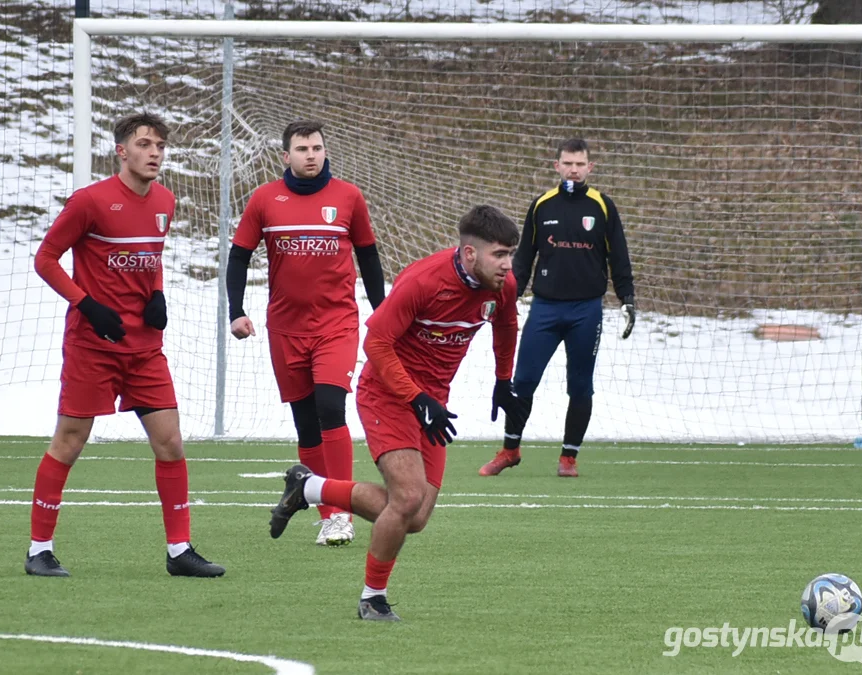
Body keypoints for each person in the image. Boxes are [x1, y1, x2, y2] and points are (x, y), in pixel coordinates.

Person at [268, 205, 519, 621]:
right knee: (405, 497)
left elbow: (506, 325)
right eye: (500, 255)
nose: (508, 265)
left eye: (511, 254)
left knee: (415, 517)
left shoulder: (503, 286)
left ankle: (309, 488)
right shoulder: (423, 281)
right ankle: (372, 598)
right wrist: (416, 398)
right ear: (470, 254)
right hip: (387, 393)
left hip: (432, 404)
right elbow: (377, 343)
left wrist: (503, 379)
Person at [25, 111, 224, 578]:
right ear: (122, 151)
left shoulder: (166, 201)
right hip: (93, 344)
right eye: (145, 144)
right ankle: (39, 549)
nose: (155, 153)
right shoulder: (89, 202)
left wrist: (156, 292)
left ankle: (179, 552)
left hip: (145, 346)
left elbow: (149, 257)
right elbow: (46, 259)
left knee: (171, 443)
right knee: (70, 442)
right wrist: (87, 304)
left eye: (160, 145)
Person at [227, 120, 385, 547]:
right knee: (305, 424)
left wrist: (382, 311)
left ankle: (343, 513)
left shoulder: (349, 197)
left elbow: (369, 258)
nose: (311, 155)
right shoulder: (265, 199)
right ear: (286, 156)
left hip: (336, 324)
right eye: (302, 149)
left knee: (331, 406)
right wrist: (236, 311)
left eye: (317, 147)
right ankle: (327, 511)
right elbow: (239, 257)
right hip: (285, 328)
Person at [479, 138, 635, 479]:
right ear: (557, 166)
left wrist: (628, 298)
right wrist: (509, 294)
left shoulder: (602, 206)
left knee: (580, 386)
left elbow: (619, 256)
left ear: (590, 168)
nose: (573, 170)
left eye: (580, 164)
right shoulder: (542, 205)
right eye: (568, 163)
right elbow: (523, 259)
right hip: (545, 309)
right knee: (522, 381)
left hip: (586, 311)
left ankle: (569, 457)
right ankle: (510, 450)